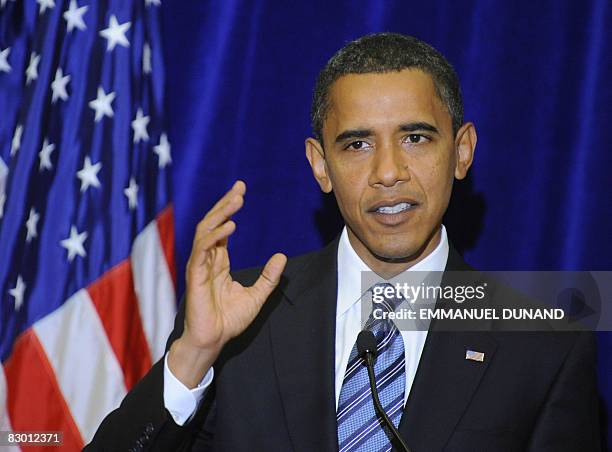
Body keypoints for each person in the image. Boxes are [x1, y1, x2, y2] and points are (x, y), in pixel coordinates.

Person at [87, 33, 600, 451]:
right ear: (320, 165)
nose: (388, 173)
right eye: (357, 144)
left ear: (462, 151)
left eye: (415, 138)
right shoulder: (240, 325)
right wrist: (193, 356)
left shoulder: (544, 344)